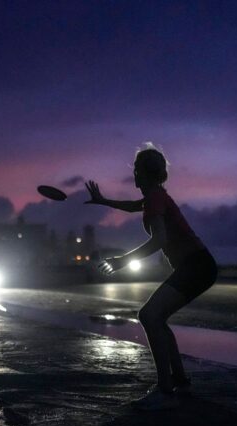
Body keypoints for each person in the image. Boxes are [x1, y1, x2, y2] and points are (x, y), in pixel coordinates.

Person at [85, 145, 217, 411]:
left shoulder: (155, 198)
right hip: (197, 265)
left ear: (142, 173)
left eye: (135, 170)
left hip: (196, 266)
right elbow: (134, 206)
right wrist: (104, 201)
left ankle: (164, 388)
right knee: (157, 317)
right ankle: (179, 379)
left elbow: (159, 240)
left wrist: (122, 261)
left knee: (149, 316)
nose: (133, 175)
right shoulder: (155, 197)